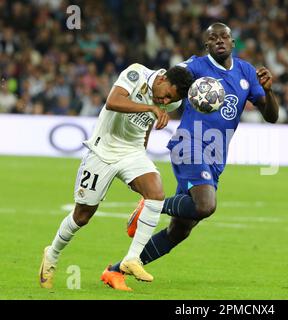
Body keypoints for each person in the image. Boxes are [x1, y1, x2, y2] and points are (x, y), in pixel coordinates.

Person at [101, 22, 280, 290]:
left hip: (216, 155)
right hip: (190, 143)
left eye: (225, 37)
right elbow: (166, 80)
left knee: (180, 230)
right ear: (206, 45)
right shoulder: (195, 66)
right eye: (213, 38)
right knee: (206, 205)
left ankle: (115, 271)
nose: (219, 41)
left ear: (232, 42)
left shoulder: (246, 72)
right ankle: (150, 205)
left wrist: (267, 90)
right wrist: (155, 102)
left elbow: (272, 116)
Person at [39, 63, 194, 290]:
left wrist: (143, 147)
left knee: (156, 194)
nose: (165, 102)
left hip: (132, 153)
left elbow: (149, 123)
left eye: (170, 101)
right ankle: (51, 254)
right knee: (82, 216)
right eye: (166, 96)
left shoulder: (174, 99)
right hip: (102, 151)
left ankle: (132, 258)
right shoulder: (136, 73)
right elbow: (113, 101)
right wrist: (148, 108)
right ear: (161, 80)